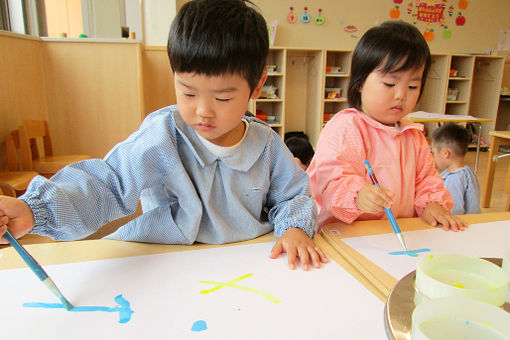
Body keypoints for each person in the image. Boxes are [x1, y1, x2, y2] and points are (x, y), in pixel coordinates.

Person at [0, 0, 327, 271]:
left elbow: (292, 196)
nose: (203, 111)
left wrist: (294, 228)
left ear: (257, 86)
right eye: (187, 92)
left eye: (222, 98)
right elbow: (107, 183)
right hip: (161, 260)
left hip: (243, 263)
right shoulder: (161, 137)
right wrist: (34, 211)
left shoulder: (266, 144)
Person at [306, 21, 467, 232]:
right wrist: (357, 195)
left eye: (412, 86)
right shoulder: (346, 127)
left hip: (394, 235)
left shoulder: (413, 134)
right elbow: (329, 180)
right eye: (390, 84)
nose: (401, 95)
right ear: (361, 82)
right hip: (346, 236)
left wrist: (432, 204)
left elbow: (426, 180)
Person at [431, 122, 481, 215]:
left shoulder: (453, 179)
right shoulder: (468, 172)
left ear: (445, 153)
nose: (433, 157)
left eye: (433, 152)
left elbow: (453, 210)